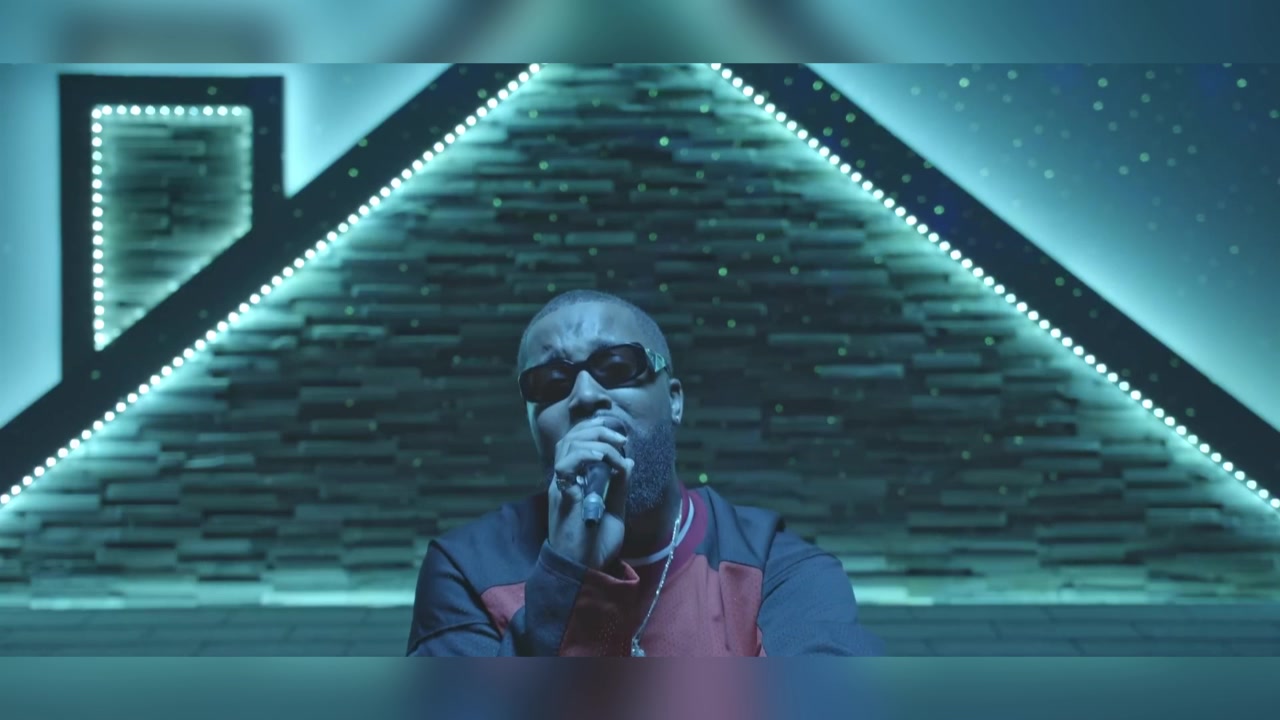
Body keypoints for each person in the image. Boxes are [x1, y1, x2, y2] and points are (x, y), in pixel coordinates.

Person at [406, 289, 881, 656]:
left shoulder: (777, 567)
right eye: (551, 382)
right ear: (532, 422)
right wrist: (570, 576)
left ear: (673, 401)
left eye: (617, 366)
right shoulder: (466, 569)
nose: (585, 396)